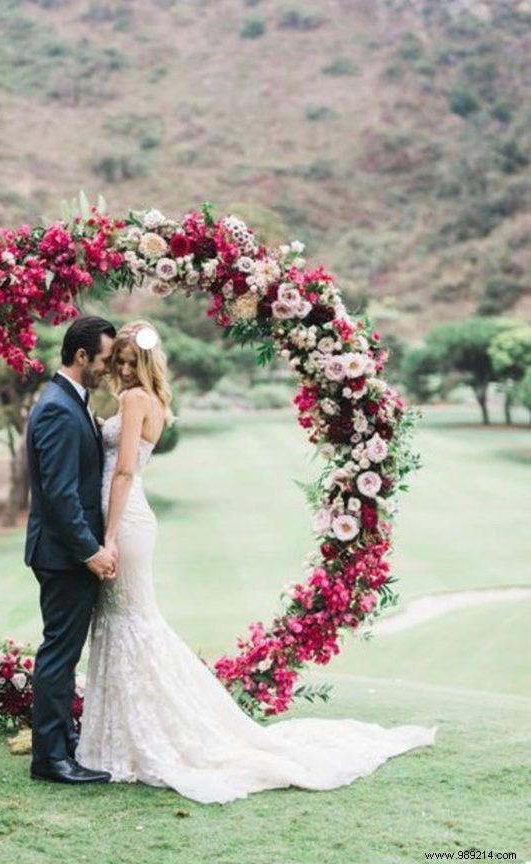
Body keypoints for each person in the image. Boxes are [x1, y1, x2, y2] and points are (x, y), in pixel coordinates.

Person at [75, 319, 437, 804]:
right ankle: (121, 734)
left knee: (132, 623)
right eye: (116, 361)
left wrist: (109, 536)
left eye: (128, 361)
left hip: (124, 520)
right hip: (132, 517)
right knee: (126, 621)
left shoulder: (135, 400)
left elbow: (121, 473)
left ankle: (141, 736)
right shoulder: (158, 401)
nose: (121, 369)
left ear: (144, 363)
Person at [24, 314, 118, 784]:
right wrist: (91, 552)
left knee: (62, 652)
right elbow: (60, 495)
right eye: (105, 359)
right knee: (59, 655)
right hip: (63, 556)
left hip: (64, 553)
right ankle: (51, 758)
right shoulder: (60, 408)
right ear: (81, 356)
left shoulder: (71, 402)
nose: (109, 367)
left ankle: (59, 746)